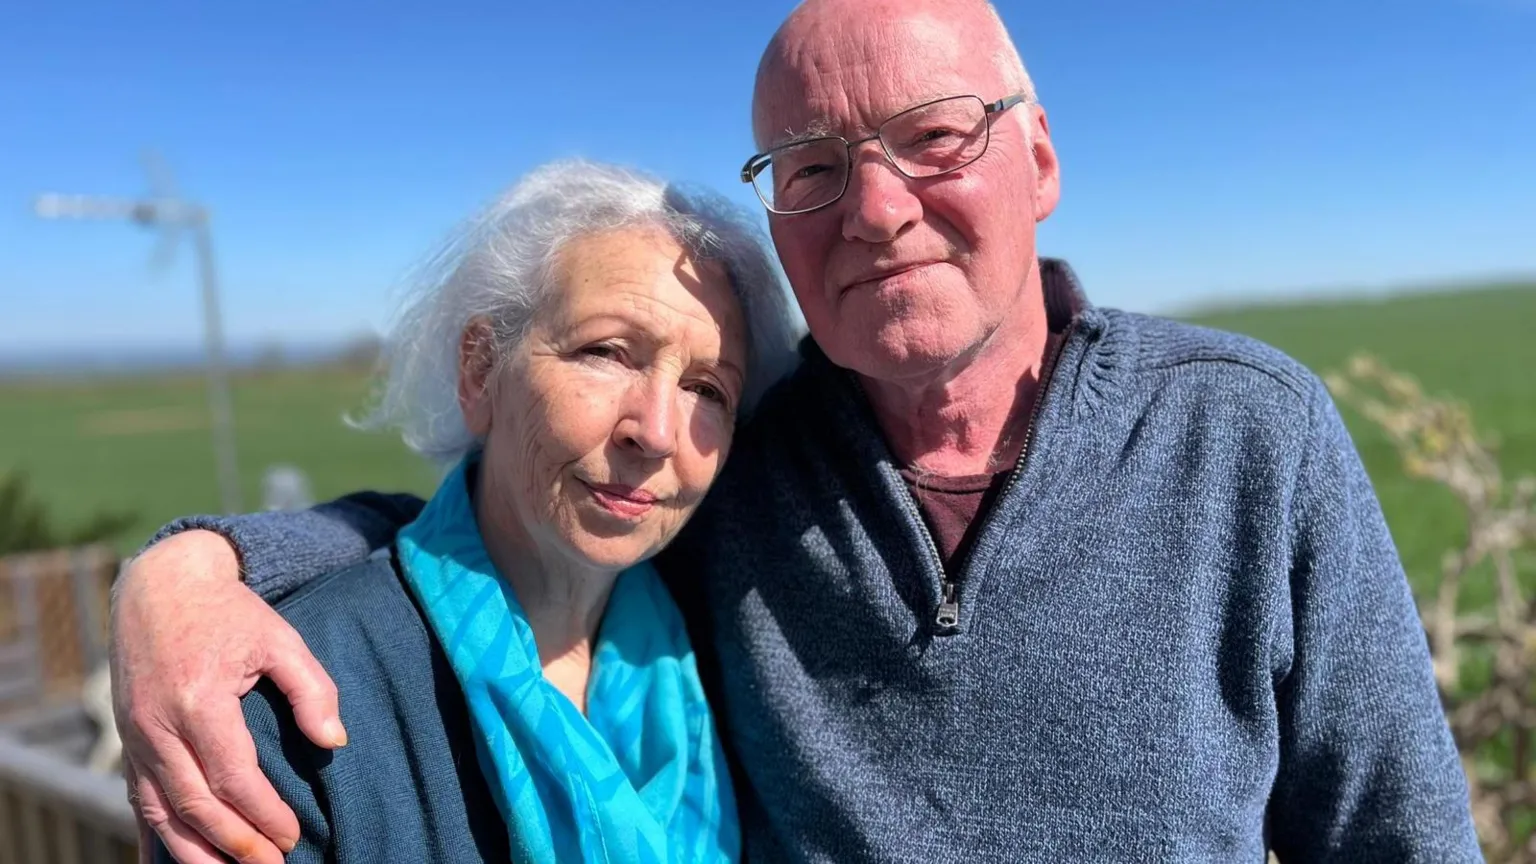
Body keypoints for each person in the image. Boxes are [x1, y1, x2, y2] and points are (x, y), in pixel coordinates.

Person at [111, 0, 1483, 861]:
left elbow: (1401, 837)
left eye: (934, 136)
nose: (876, 208)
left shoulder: (1250, 438)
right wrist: (193, 566)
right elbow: (506, 524)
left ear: (1042, 160)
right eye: (816, 166)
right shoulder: (739, 459)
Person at [132, 159, 799, 863]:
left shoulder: (728, 659)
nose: (657, 431)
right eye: (605, 352)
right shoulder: (285, 703)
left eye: (708, 389)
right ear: (480, 372)